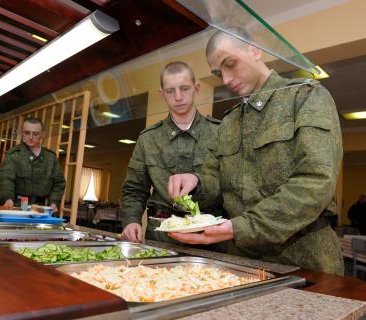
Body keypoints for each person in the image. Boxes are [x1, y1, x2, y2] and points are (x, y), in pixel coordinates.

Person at [167, 29, 344, 275]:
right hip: (242, 259)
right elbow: (216, 183)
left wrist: (242, 228)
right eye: (219, 73)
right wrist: (196, 183)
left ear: (255, 50)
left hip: (305, 259)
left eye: (231, 64)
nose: (227, 80)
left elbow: (315, 182)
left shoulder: (306, 97)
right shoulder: (229, 122)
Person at [121, 61, 222, 243]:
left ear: (196, 88)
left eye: (184, 88)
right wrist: (131, 220)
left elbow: (231, 186)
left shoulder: (220, 132)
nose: (178, 97)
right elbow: (134, 189)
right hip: (161, 235)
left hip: (210, 235)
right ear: (162, 94)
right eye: (170, 91)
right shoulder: (148, 138)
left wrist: (200, 183)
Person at [0, 117, 65, 213]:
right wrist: (7, 199)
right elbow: (5, 178)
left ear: (42, 134)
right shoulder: (14, 154)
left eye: (35, 134)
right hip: (16, 207)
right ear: (21, 132)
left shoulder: (50, 158)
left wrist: (54, 202)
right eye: (27, 133)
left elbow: (58, 183)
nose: (30, 137)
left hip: (41, 209)